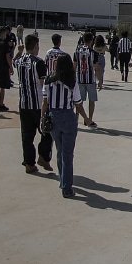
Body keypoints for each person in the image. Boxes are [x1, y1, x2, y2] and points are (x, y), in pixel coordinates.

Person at [44, 53, 92, 198]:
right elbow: (78, 104)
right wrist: (86, 118)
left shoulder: (49, 80)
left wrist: (42, 118)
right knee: (68, 154)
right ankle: (67, 187)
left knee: (59, 151)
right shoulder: (72, 82)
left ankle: (62, 180)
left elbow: (44, 102)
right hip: (67, 118)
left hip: (53, 117)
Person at [14, 34, 53, 174]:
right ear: (35, 46)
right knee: (47, 131)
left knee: (27, 136)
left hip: (24, 104)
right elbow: (44, 85)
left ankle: (29, 163)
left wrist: (19, 51)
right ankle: (43, 156)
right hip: (37, 104)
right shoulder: (39, 62)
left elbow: (14, 61)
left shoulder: (19, 61)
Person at [73, 32, 101, 128]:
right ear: (91, 40)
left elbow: (74, 65)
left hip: (80, 79)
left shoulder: (77, 51)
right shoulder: (93, 53)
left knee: (79, 101)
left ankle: (77, 119)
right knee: (91, 101)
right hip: (90, 80)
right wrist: (100, 81)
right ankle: (89, 119)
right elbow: (96, 68)